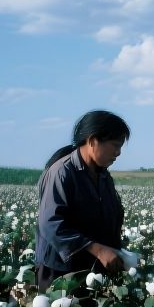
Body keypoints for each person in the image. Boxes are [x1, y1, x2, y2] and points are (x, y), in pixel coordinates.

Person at [35, 110, 131, 290]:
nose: (118, 153)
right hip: (59, 272)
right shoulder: (61, 173)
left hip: (90, 269)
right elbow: (51, 224)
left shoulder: (103, 176)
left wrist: (117, 252)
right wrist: (98, 250)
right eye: (115, 145)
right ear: (93, 141)